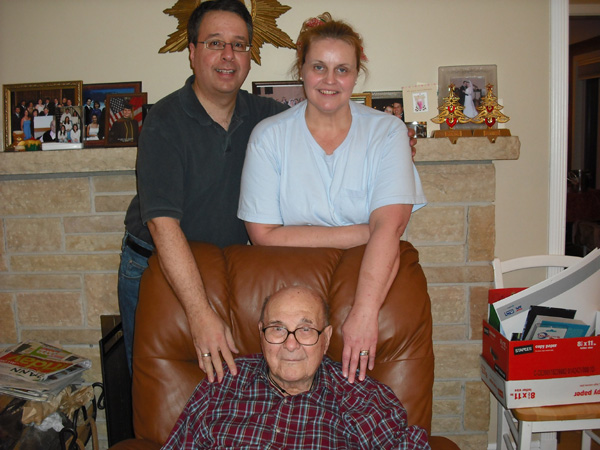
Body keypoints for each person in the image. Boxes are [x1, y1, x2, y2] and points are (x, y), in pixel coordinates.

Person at [119, 0, 417, 379]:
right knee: (155, 379)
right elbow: (163, 227)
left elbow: (314, 123)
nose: (228, 55)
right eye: (215, 43)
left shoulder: (266, 117)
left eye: (239, 45)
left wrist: (397, 142)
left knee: (231, 384)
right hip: (159, 264)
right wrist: (200, 314)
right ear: (192, 52)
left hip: (228, 267)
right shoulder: (164, 121)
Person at [238, 15, 426, 383]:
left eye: (342, 69)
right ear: (302, 70)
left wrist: (364, 313)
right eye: (318, 67)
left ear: (356, 75)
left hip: (369, 283)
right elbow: (262, 234)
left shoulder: (387, 133)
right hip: (287, 291)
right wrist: (368, 230)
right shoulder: (269, 137)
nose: (329, 80)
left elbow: (390, 228)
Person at [161, 286, 431, 450]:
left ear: (326, 339)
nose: (290, 345)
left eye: (305, 330)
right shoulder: (222, 385)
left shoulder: (361, 397)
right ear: (261, 334)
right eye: (277, 329)